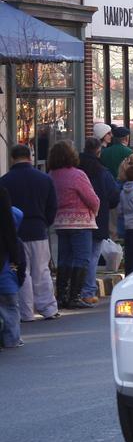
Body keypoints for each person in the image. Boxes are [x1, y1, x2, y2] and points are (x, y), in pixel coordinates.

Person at [0, 144, 60, 322]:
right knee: (41, 270)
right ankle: (48, 308)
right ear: (30, 157)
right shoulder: (44, 179)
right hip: (38, 229)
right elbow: (52, 207)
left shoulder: (4, 181)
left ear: (12, 158)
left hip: (15, 232)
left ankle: (26, 312)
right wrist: (44, 222)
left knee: (21, 271)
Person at [48, 140, 100, 309]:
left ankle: (61, 295)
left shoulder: (52, 175)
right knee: (82, 258)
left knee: (64, 258)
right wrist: (95, 211)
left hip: (61, 221)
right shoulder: (77, 175)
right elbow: (92, 199)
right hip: (80, 222)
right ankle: (75, 296)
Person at [78, 137, 120, 305]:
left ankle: (73, 290)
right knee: (92, 255)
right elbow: (114, 194)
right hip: (97, 218)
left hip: (71, 220)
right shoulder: (102, 172)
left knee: (75, 256)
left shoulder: (75, 169)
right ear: (98, 151)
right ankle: (87, 290)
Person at [0, 188, 25, 350]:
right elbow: (21, 264)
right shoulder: (15, 242)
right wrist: (19, 279)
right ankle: (12, 340)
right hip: (9, 282)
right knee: (10, 310)